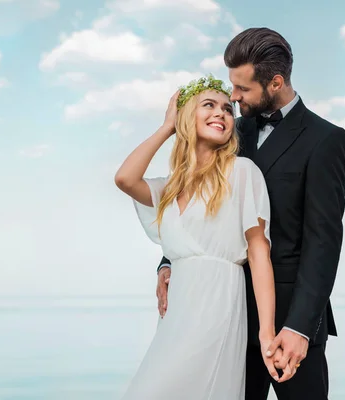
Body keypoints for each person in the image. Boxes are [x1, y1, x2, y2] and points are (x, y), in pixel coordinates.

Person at [156, 28, 345, 400]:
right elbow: (198, 198)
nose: (233, 97)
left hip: (288, 326)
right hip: (223, 317)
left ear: (275, 82)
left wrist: (298, 328)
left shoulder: (325, 140)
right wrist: (168, 260)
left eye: (243, 89)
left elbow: (323, 242)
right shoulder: (228, 131)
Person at [115, 75, 280, 399]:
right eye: (209, 105)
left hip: (218, 308)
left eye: (227, 109)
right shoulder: (169, 187)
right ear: (187, 117)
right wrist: (167, 127)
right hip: (177, 316)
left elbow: (260, 254)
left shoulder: (242, 171)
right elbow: (124, 178)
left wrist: (266, 332)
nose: (221, 113)